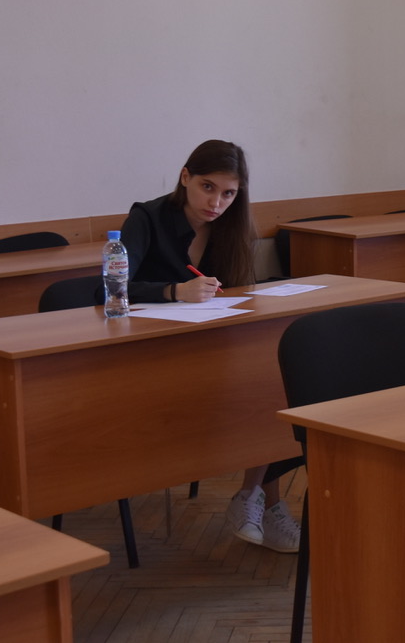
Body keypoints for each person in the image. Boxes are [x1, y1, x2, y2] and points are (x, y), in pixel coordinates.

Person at [119, 139, 302, 553]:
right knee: (258, 389)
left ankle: (254, 497)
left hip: (212, 343)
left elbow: (237, 291)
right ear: (185, 177)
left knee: (273, 383)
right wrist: (172, 291)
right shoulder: (146, 218)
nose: (216, 203)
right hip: (149, 351)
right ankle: (263, 503)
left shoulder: (232, 226)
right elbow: (111, 289)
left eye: (228, 193)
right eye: (207, 187)